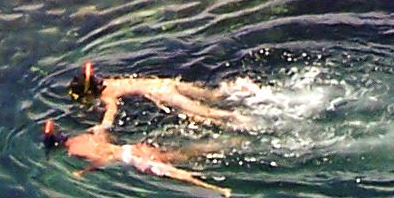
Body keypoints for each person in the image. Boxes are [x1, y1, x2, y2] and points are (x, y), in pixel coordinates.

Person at [42, 117, 232, 198]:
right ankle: (223, 145)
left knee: (177, 174)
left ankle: (221, 191)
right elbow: (103, 137)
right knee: (181, 154)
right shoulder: (82, 137)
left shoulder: (74, 150)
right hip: (134, 148)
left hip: (134, 158)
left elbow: (104, 158)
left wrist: (83, 172)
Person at [68, 59, 259, 132]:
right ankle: (238, 87)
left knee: (202, 111)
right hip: (166, 82)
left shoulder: (107, 95)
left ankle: (233, 116)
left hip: (161, 92)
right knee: (213, 95)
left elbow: (111, 113)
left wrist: (103, 126)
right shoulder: (110, 81)